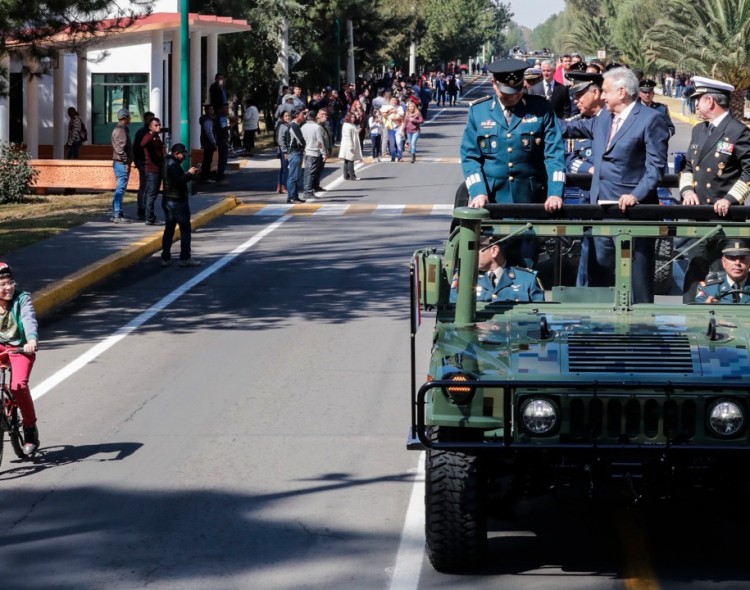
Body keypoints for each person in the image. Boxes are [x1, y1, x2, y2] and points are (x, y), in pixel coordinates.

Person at [561, 67, 670, 303]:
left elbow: (656, 169)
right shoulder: (603, 119)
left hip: (634, 214)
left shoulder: (651, 119)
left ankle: (640, 331)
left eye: (606, 91)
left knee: (637, 280)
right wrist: (536, 116)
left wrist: (636, 195)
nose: (601, 96)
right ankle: (601, 329)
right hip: (602, 213)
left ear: (622, 92)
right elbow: (569, 128)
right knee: (601, 277)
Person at [460, 58, 566, 213]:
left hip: (533, 199)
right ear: (494, 84)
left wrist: (555, 193)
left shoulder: (541, 108)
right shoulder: (479, 111)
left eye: (517, 90)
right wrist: (478, 192)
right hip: (491, 200)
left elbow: (555, 154)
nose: (513, 96)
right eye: (506, 92)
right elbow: (470, 157)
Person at [679, 76, 750, 301]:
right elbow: (689, 166)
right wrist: (687, 191)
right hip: (698, 215)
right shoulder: (699, 130)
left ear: (710, 101)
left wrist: (730, 198)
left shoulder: (738, 131)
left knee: (721, 274)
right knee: (695, 270)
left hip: (724, 218)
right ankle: (692, 318)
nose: (696, 105)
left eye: (698, 99)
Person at [0, 263, 40, 455]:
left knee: (19, 386)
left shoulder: (22, 299)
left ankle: (30, 429)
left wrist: (31, 340)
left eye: (10, 282)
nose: (8, 288)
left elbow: (29, 319)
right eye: (2, 284)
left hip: (20, 348)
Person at [449, 236, 545, 303]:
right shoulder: (464, 278)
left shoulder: (527, 280)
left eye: (476, 248)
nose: (470, 253)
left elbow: (539, 317)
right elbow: (452, 314)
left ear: (494, 251)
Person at [160, 144, 201, 268]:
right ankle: (185, 257)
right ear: (177, 153)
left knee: (170, 229)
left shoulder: (168, 162)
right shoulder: (172, 165)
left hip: (169, 200)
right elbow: (179, 181)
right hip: (177, 201)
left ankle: (166, 257)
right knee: (185, 229)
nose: (184, 158)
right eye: (183, 155)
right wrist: (189, 174)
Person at [111, 108, 134, 223]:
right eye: (129, 117)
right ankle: (117, 214)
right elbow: (120, 149)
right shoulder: (121, 130)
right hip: (121, 163)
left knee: (120, 189)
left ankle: (116, 213)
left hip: (119, 163)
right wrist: (126, 162)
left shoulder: (122, 129)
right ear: (124, 118)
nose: (130, 119)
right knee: (120, 190)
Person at [133, 111, 155, 219]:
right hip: (143, 162)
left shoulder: (152, 132)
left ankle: (147, 209)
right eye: (150, 119)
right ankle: (141, 209)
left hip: (150, 163)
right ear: (145, 120)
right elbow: (137, 148)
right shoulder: (142, 132)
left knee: (149, 187)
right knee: (144, 186)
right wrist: (137, 161)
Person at [301, 110, 325, 201]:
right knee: (311, 173)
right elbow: (320, 141)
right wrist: (323, 153)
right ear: (315, 118)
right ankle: (308, 191)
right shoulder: (317, 127)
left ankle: (306, 190)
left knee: (307, 172)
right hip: (314, 152)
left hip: (306, 151)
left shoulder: (303, 126)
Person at [285, 108, 307, 203]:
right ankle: (291, 197)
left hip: (297, 153)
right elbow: (301, 140)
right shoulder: (294, 126)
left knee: (296, 176)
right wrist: (306, 145)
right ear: (297, 115)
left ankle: (295, 196)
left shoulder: (296, 126)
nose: (304, 116)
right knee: (293, 176)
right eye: (303, 114)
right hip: (294, 153)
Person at [339, 112, 363, 180]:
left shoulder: (351, 125)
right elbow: (348, 137)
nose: (353, 119)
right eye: (352, 117)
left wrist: (357, 131)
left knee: (347, 161)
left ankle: (346, 175)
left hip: (351, 144)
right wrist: (351, 147)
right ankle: (352, 176)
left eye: (354, 117)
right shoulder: (347, 126)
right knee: (350, 161)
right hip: (348, 145)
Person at [199, 105, 216, 183]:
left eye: (213, 108)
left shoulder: (207, 119)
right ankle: (205, 177)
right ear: (206, 110)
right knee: (207, 160)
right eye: (211, 109)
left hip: (206, 142)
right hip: (208, 143)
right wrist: (214, 142)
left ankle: (205, 176)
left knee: (207, 160)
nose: (212, 110)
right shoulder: (208, 120)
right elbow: (209, 132)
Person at [276, 110, 291, 194]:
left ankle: (280, 186)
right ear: (282, 118)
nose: (288, 117)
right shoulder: (282, 126)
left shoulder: (288, 125)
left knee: (283, 169)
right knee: (285, 169)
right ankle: (282, 186)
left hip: (288, 150)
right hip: (284, 151)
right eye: (286, 116)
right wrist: (285, 152)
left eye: (288, 116)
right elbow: (280, 140)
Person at [214, 103, 230, 185]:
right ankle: (220, 178)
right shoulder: (222, 117)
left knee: (221, 160)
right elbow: (224, 129)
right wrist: (233, 124)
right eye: (226, 109)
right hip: (222, 141)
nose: (227, 110)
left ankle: (219, 177)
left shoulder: (218, 116)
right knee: (223, 160)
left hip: (220, 140)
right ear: (221, 109)